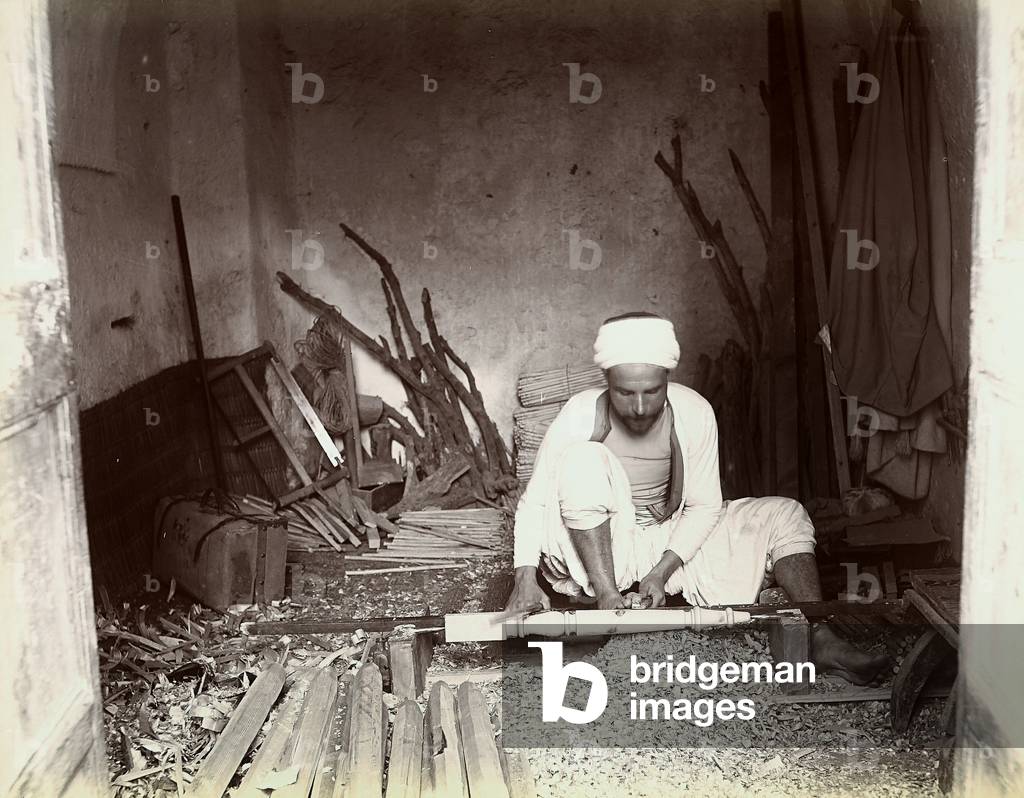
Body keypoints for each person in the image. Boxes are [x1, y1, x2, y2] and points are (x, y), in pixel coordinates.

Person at [505, 312, 888, 684]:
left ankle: (818, 633)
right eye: (624, 393)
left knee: (784, 513)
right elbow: (534, 500)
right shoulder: (579, 413)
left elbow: (705, 507)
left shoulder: (694, 412)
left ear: (667, 378)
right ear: (606, 380)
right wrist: (525, 577)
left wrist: (659, 572)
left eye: (652, 392)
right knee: (583, 458)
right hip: (599, 549)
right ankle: (609, 595)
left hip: (665, 535)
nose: (639, 408)